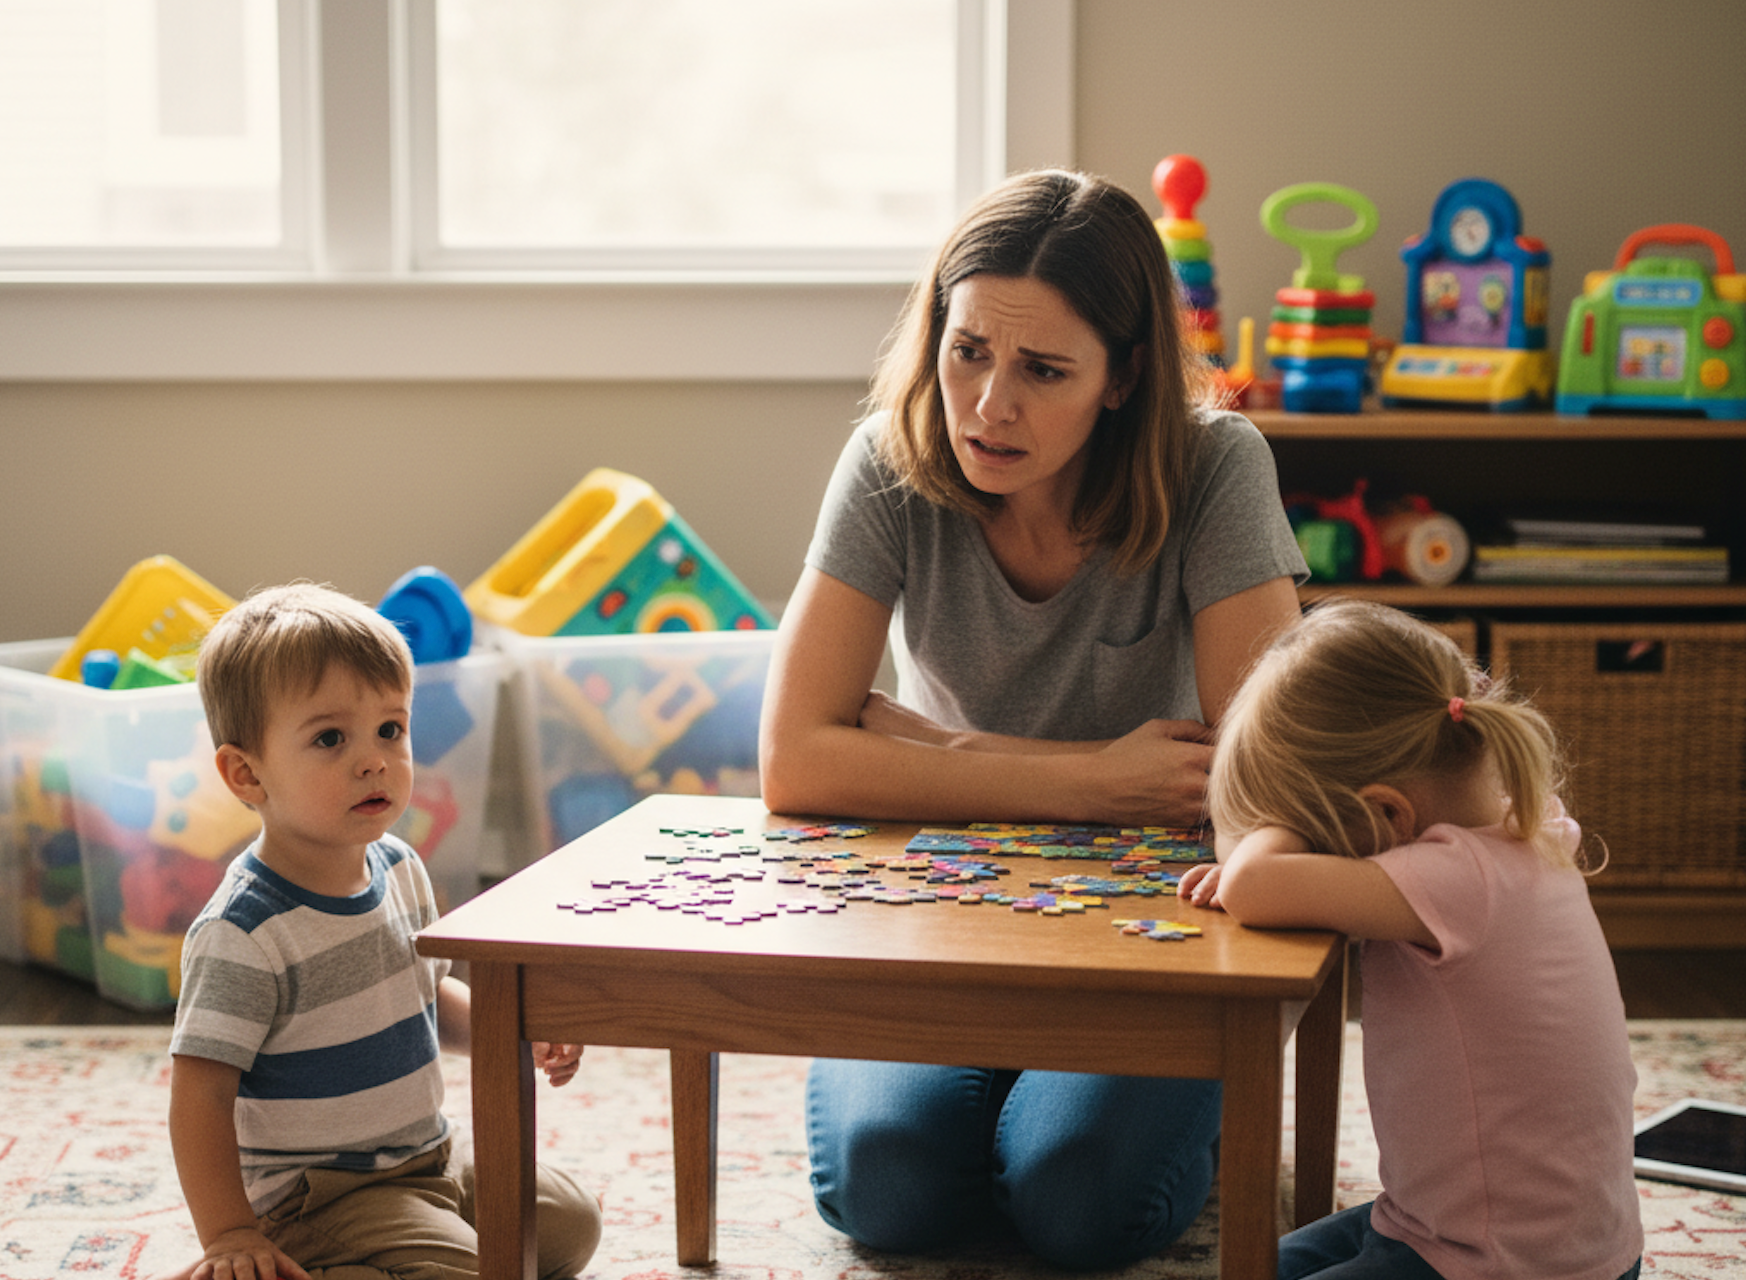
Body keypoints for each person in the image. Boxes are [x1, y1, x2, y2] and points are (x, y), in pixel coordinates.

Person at [759, 169, 1308, 1269]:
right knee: (886, 1184)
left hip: (1158, 909)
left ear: (1125, 376)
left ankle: (1096, 1111)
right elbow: (796, 759)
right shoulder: (886, 462)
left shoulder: (1215, 467)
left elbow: (1262, 778)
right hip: (943, 899)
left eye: (1043, 369)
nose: (989, 404)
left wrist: (925, 747)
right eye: (968, 351)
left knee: (1078, 1200)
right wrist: (1090, 779)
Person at [1180, 598, 1642, 1280]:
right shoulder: (1527, 824)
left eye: (1308, 832)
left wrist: (1261, 850)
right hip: (1474, 1230)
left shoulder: (1457, 880)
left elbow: (1251, 885)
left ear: (1388, 813)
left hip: (1502, 1265)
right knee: (1247, 1266)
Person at [167, 583, 602, 1280]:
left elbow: (426, 999)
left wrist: (516, 1027)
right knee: (479, 1270)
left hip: (423, 1156)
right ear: (246, 774)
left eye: (390, 730)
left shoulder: (398, 866)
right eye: (330, 738)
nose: (373, 759)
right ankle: (298, 1264)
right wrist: (229, 1233)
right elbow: (200, 1096)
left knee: (569, 1225)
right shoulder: (244, 932)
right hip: (321, 1199)